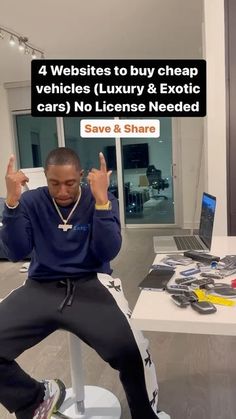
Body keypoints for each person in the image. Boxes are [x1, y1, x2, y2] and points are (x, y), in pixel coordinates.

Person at [0, 147, 170, 419]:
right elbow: (15, 251)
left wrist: (102, 201)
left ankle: (146, 415)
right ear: (45, 177)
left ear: (80, 176)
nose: (63, 191)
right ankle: (35, 399)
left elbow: (108, 252)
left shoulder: (100, 198)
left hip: (92, 284)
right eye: (54, 183)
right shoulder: (31, 201)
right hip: (41, 286)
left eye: (70, 183)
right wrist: (11, 204)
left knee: (131, 351)